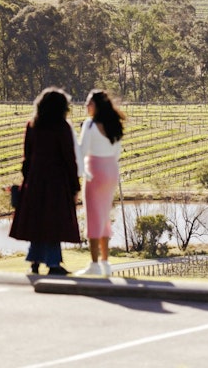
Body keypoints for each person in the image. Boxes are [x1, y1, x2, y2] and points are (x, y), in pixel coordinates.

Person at [9, 87, 81, 275]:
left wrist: (27, 180)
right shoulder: (62, 127)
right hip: (56, 181)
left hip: (35, 179)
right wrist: (75, 186)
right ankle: (53, 263)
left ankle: (35, 260)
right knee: (53, 223)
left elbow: (27, 157)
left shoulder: (32, 125)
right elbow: (69, 159)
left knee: (38, 221)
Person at [76, 89, 125, 276]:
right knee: (104, 215)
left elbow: (82, 151)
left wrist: (82, 172)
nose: (86, 106)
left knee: (93, 216)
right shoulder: (115, 125)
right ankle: (105, 262)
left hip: (94, 170)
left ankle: (94, 264)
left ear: (96, 106)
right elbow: (117, 152)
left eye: (89, 103)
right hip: (111, 170)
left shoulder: (90, 125)